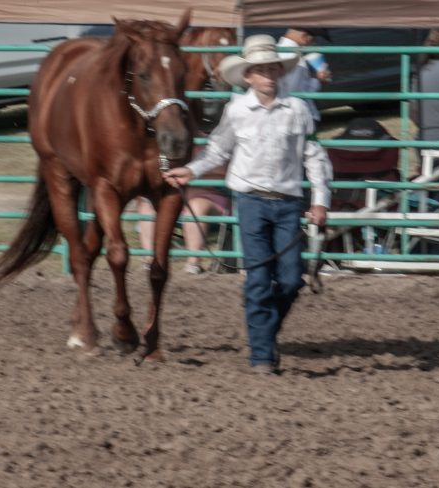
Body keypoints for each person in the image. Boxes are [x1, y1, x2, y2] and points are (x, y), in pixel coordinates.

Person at [165, 35, 332, 375]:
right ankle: (262, 355)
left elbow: (314, 156)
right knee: (258, 278)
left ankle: (264, 334)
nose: (268, 75)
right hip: (251, 201)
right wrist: (191, 170)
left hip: (288, 202)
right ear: (248, 76)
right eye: (261, 70)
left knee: (291, 279)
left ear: (280, 72)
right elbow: (218, 150)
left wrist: (320, 200)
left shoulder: (297, 109)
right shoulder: (237, 110)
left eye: (272, 69)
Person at [135, 146, 231, 275]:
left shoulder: (213, 143)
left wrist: (192, 171)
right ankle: (150, 261)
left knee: (195, 206)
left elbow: (225, 170)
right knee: (147, 205)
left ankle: (193, 264)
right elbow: (161, 166)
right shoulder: (170, 146)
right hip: (177, 198)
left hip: (212, 196)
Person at [277, 27, 332, 123]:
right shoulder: (294, 58)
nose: (313, 43)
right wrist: (318, 80)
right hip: (298, 117)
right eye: (313, 39)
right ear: (304, 36)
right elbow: (297, 93)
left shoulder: (277, 50)